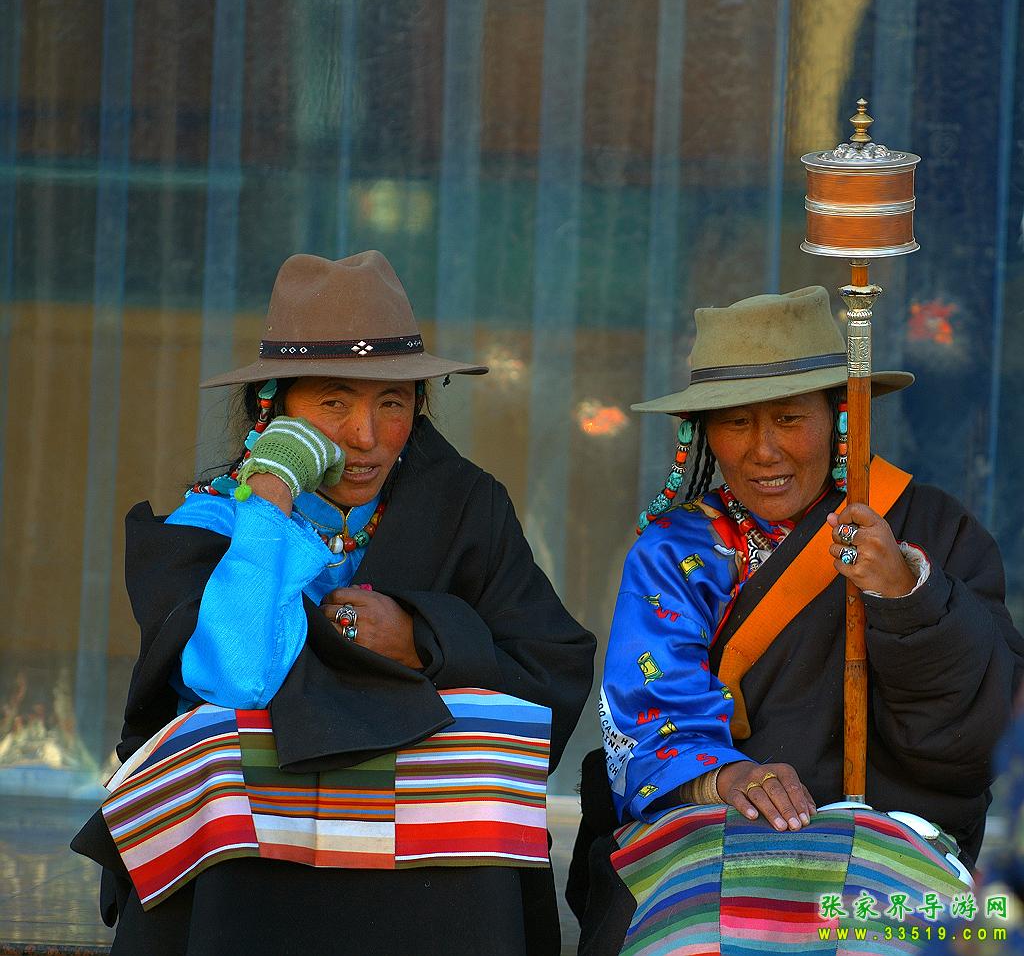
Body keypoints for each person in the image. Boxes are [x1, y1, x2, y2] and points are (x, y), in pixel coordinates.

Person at [72, 251, 596, 956]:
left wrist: (425, 639)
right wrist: (270, 498)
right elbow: (235, 677)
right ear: (274, 405)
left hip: (432, 871)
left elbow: (552, 668)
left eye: (393, 402)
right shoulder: (209, 525)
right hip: (250, 872)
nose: (366, 437)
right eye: (333, 402)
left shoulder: (465, 507)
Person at [570, 285, 1024, 952]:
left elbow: (980, 729)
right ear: (702, 431)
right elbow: (650, 704)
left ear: (839, 416)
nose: (763, 451)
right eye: (735, 422)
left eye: (788, 419)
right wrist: (724, 777)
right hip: (709, 836)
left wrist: (907, 593)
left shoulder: (932, 528)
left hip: (892, 842)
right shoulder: (675, 550)